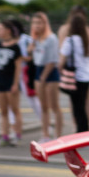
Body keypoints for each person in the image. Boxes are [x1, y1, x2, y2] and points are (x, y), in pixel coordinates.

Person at [0, 20, 24, 147]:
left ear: (8, 30)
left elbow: (18, 67)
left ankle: (17, 135)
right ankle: (5, 136)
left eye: (0, 29)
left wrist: (15, 84)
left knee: (15, 109)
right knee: (3, 111)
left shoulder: (16, 47)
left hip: (10, 82)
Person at [28, 12, 63, 141]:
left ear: (45, 23)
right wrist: (32, 44)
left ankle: (58, 135)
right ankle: (45, 134)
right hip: (38, 70)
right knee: (43, 107)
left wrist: (43, 77)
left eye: (39, 23)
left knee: (54, 106)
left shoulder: (51, 38)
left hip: (50, 72)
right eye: (34, 23)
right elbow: (30, 55)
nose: (36, 25)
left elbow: (53, 60)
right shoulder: (36, 39)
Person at [59, 9, 89, 133]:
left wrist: (59, 71)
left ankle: (81, 132)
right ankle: (85, 129)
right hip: (87, 76)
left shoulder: (70, 40)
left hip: (76, 77)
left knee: (77, 107)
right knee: (82, 106)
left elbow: (62, 59)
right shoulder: (85, 40)